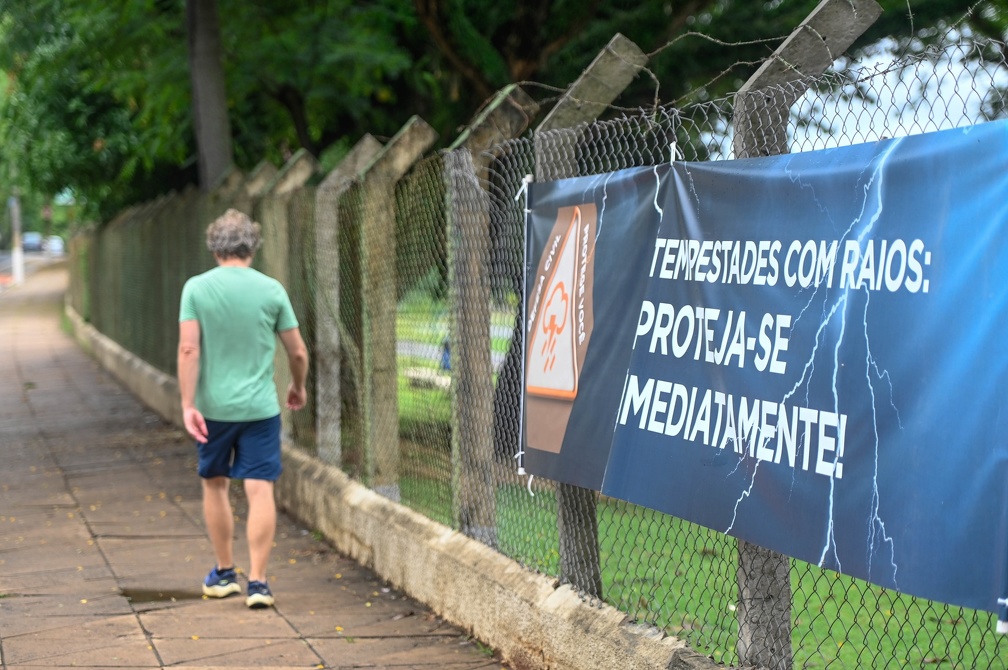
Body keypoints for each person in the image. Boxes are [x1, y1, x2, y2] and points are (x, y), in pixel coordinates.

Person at [177, 208, 308, 609]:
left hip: (213, 410)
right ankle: (259, 583)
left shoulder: (196, 289)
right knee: (259, 487)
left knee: (215, 484)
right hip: (260, 409)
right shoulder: (271, 290)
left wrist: (187, 404)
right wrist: (297, 385)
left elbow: (188, 348)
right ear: (252, 246)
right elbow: (297, 351)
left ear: (215, 247)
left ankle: (222, 573)